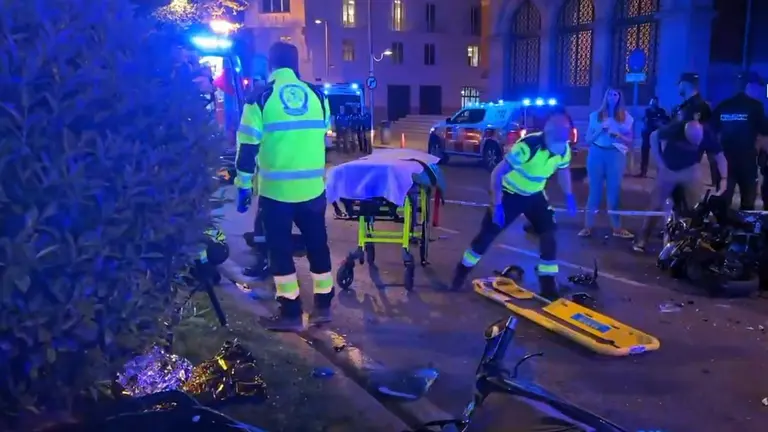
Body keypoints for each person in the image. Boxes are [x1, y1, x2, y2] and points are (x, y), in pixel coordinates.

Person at [235, 41, 335, 332]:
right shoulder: (317, 95)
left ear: (270, 64)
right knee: (318, 246)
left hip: (276, 193)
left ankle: (291, 313)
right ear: (296, 63)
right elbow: (321, 134)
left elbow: (247, 149)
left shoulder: (261, 97)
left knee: (279, 250)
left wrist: (243, 187)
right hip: (313, 190)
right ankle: (323, 306)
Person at [450, 108, 577, 300]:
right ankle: (460, 273)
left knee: (549, 234)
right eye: (560, 126)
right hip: (510, 195)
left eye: (566, 127)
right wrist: (498, 206)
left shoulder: (564, 150)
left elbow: (564, 172)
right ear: (549, 128)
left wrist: (569, 196)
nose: (564, 131)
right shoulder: (528, 146)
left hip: (535, 196)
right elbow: (497, 174)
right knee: (486, 236)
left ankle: (548, 285)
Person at [633, 72, 728, 252]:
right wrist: (660, 163)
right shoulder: (679, 121)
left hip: (690, 167)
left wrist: (723, 180)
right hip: (669, 167)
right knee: (655, 203)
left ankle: (692, 243)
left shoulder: (702, 117)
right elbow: (654, 136)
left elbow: (719, 155)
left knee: (695, 207)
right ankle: (642, 239)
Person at [578, 88, 635, 239]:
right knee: (594, 192)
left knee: (613, 193)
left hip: (615, 155)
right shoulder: (595, 116)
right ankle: (587, 227)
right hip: (596, 153)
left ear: (619, 97)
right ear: (605, 96)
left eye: (615, 94)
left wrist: (619, 134)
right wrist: (600, 130)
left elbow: (630, 140)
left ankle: (617, 227)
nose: (612, 97)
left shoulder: (626, 117)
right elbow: (588, 139)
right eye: (609, 94)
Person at [714, 71, 768, 210]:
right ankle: (743, 229)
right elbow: (764, 132)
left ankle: (724, 229)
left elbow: (711, 130)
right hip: (747, 162)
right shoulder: (756, 106)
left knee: (724, 201)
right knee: (748, 203)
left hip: (725, 161)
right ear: (749, 85)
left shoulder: (724, 105)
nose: (760, 91)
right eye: (758, 87)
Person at [638, 96, 669, 177]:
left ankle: (661, 172)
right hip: (647, 133)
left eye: (655, 102)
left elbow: (666, 120)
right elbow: (646, 120)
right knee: (645, 152)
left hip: (656, 134)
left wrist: (660, 122)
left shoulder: (661, 111)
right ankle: (643, 171)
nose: (654, 103)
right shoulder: (647, 111)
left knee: (658, 153)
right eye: (652, 102)